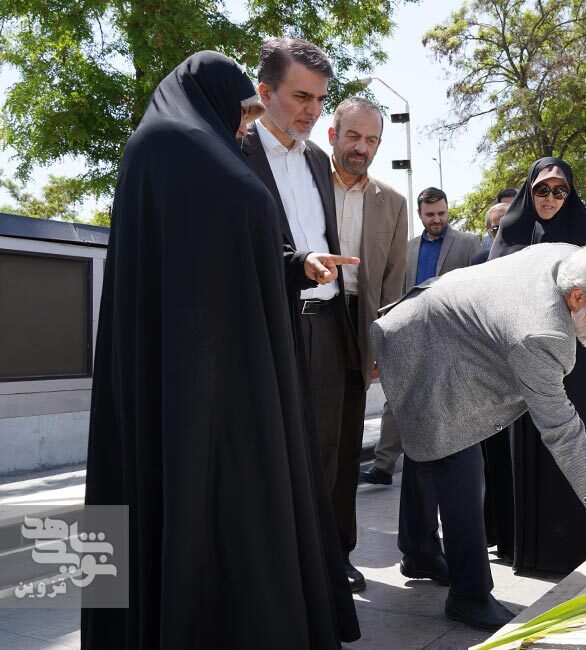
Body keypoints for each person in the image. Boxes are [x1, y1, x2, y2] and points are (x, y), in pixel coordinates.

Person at [82, 51, 360, 649]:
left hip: (206, 358)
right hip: (209, 367)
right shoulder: (181, 149)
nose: (244, 124)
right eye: (243, 111)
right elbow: (221, 242)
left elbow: (224, 251)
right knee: (210, 498)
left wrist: (293, 266)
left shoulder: (174, 148)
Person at [372, 239, 586, 631]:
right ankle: (469, 596)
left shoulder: (573, 259)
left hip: (441, 325)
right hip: (422, 341)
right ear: (577, 297)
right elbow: (566, 439)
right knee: (458, 461)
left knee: (429, 443)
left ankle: (419, 552)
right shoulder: (542, 335)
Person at [241, 38, 369, 592]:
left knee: (328, 455)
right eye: (301, 97)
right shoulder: (234, 151)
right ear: (264, 92)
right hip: (269, 330)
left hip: (327, 324)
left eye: (320, 99)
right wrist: (299, 265)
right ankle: (277, 575)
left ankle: (327, 563)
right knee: (273, 457)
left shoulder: (319, 158)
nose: (313, 111)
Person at [487, 157, 586, 575]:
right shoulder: (510, 233)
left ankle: (583, 538)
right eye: (542, 189)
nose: (551, 198)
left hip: (578, 363)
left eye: (560, 190)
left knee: (576, 443)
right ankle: (534, 547)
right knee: (535, 449)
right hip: (527, 359)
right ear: (529, 190)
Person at [326, 95, 408, 589]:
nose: (362, 147)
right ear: (332, 135)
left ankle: (338, 554)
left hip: (356, 327)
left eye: (372, 139)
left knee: (343, 448)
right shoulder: (306, 181)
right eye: (353, 136)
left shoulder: (393, 203)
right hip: (304, 317)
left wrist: (381, 346)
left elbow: (393, 283)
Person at [361, 187, 480, 486]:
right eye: (430, 214)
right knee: (396, 398)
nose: (436, 219)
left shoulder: (468, 243)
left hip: (452, 337)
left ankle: (445, 462)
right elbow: (397, 293)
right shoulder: (408, 248)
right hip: (411, 334)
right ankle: (383, 466)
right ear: (420, 215)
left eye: (441, 213)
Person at [480, 188, 519, 253]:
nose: (507, 209)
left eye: (512, 206)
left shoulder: (534, 233)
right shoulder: (487, 241)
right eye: (503, 205)